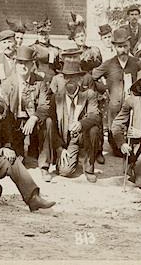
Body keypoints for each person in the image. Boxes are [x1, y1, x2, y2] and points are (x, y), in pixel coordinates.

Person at [50, 51, 102, 183]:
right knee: (65, 171)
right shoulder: (56, 98)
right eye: (67, 77)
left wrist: (81, 124)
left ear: (80, 79)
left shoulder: (89, 94)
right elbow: (52, 126)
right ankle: (75, 155)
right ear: (63, 79)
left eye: (74, 78)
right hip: (68, 139)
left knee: (94, 130)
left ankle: (89, 167)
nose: (70, 81)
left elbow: (95, 115)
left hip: (83, 135)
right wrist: (59, 148)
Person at [92, 27, 141, 157]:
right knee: (115, 133)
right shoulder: (109, 64)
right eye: (120, 47)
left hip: (131, 104)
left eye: (125, 46)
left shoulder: (136, 63)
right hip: (115, 104)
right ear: (115, 47)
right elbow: (93, 77)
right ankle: (115, 144)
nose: (123, 50)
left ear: (129, 45)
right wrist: (104, 88)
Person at [29, 18, 61, 83]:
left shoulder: (55, 49)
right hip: (39, 79)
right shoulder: (33, 48)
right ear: (37, 35)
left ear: (49, 35)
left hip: (53, 80)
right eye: (41, 34)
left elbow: (59, 66)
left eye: (45, 34)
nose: (43, 37)